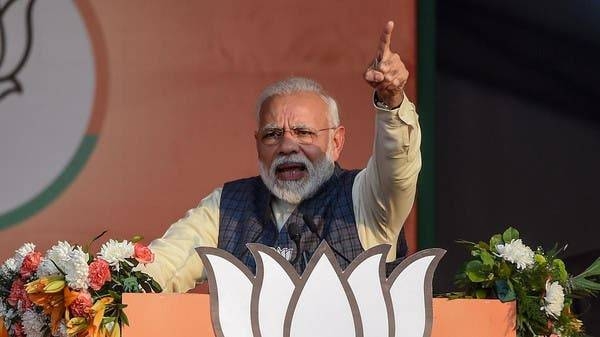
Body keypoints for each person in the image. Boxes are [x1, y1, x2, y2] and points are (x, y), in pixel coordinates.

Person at [141, 21, 421, 293]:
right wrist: (109, 284)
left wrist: (392, 100)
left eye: (303, 132)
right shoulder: (226, 206)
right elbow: (166, 265)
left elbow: (397, 167)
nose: (287, 145)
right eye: (273, 134)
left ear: (336, 142)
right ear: (257, 145)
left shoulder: (367, 199)